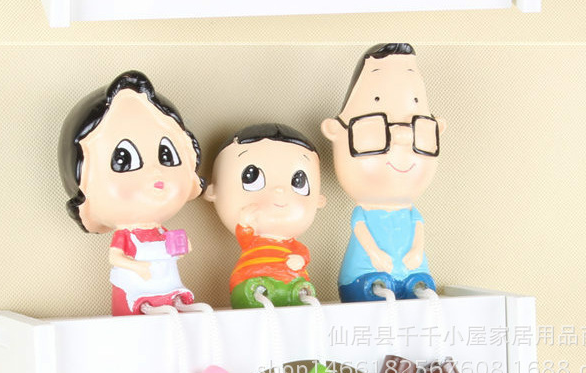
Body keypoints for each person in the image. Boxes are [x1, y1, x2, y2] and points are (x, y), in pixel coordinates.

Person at [58, 70, 205, 316]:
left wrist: (181, 246)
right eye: (124, 160)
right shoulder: (125, 236)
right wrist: (138, 268)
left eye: (166, 155)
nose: (155, 172)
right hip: (137, 287)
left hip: (166, 285)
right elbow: (115, 258)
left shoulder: (161, 231)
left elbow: (177, 251)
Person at [321, 43, 447, 303]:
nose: (402, 137)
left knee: (421, 292)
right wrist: (375, 255)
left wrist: (416, 252)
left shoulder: (411, 212)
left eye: (415, 129)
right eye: (379, 128)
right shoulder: (363, 212)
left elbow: (418, 233)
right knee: (372, 293)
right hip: (366, 272)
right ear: (335, 131)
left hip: (413, 269)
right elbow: (363, 234)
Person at [204, 123, 326, 309]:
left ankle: (298, 292)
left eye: (298, 182)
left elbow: (303, 253)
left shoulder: (293, 244)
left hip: (292, 279)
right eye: (252, 177)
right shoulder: (252, 240)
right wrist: (245, 222)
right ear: (213, 191)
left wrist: (300, 260)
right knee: (251, 291)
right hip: (252, 277)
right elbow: (245, 238)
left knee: (300, 294)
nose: (279, 190)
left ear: (319, 199)